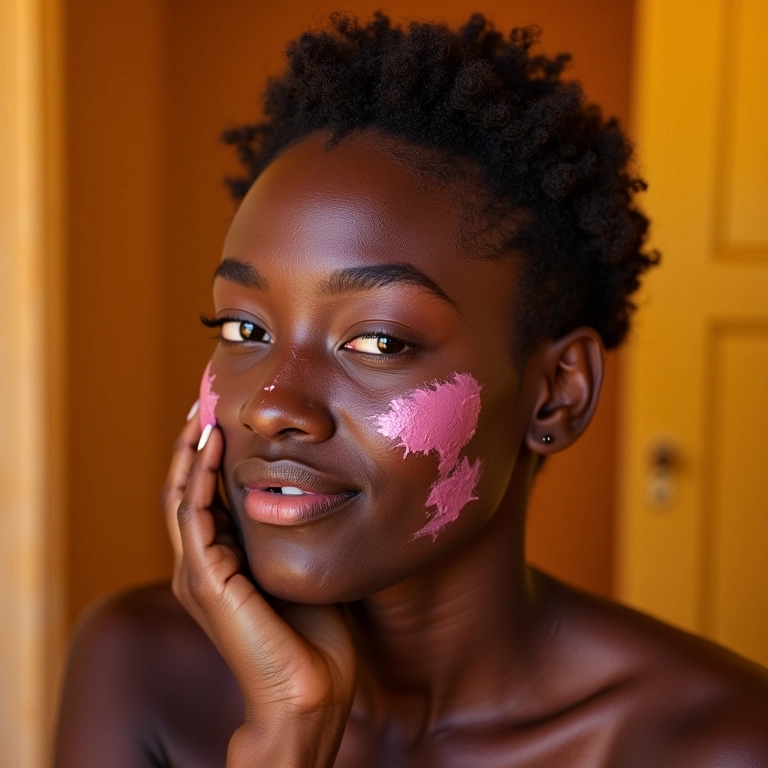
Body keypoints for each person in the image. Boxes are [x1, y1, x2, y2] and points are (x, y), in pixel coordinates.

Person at [54, 13, 768, 767]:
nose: (270, 404)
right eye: (242, 329)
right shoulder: (140, 668)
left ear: (557, 394)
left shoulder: (718, 744)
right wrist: (289, 734)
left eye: (378, 342)